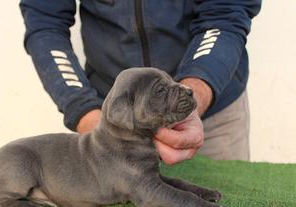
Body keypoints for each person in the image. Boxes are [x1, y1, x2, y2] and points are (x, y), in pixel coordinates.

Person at [19, 0, 261, 164]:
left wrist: (191, 98)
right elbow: (46, 25)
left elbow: (226, 12)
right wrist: (87, 114)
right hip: (113, 117)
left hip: (212, 112)